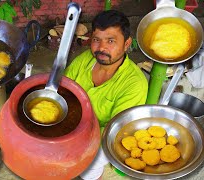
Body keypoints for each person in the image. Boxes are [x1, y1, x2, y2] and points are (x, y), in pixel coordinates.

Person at [65, 10, 148, 179]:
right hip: (70, 122)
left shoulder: (134, 84)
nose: (101, 48)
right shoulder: (84, 59)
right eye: (96, 40)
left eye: (111, 41)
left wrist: (74, 142)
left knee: (90, 167)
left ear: (126, 44)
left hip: (103, 137)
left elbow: (114, 130)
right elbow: (64, 90)